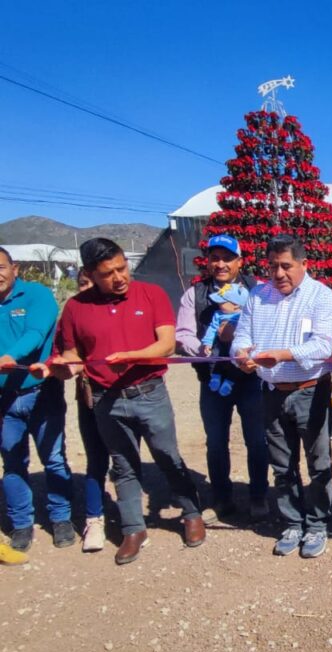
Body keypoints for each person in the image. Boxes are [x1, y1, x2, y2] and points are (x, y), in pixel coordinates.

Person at [48, 237, 206, 565]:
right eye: (109, 273)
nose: (120, 276)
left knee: (167, 455)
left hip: (148, 393)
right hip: (107, 400)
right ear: (90, 273)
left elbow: (165, 344)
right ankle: (134, 528)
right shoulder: (76, 308)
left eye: (123, 268)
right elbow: (72, 353)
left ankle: (192, 513)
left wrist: (133, 357)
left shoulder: (151, 294)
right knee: (122, 464)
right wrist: (66, 366)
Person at [232, 235, 332, 558]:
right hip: (271, 395)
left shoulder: (321, 296)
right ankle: (293, 522)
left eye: (286, 266)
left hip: (311, 392)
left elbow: (323, 346)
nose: (279, 273)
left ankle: (318, 525)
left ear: (304, 264)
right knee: (282, 464)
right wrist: (241, 355)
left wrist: (282, 354)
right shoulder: (257, 296)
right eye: (273, 266)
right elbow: (241, 336)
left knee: (319, 463)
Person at [176, 234, 269, 522]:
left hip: (251, 379)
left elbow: (269, 329)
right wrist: (210, 350)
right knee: (216, 441)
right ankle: (221, 499)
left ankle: (258, 496)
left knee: (257, 440)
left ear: (240, 261)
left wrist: (250, 349)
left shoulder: (260, 291)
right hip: (213, 379)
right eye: (215, 257)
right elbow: (183, 335)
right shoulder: (195, 294)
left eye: (227, 258)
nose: (220, 264)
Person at [0, 245, 74, 551]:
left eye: (0, 267)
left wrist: (9, 355)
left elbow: (35, 332)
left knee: (53, 458)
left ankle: (61, 518)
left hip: (40, 393)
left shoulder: (37, 296)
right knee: (12, 462)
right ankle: (21, 524)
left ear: (13, 268)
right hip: (4, 399)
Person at [69, 271, 111, 552]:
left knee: (126, 461)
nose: (87, 289)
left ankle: (130, 519)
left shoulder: (112, 312)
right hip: (89, 395)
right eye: (83, 283)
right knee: (96, 458)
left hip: (122, 394)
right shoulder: (73, 311)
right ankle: (94, 519)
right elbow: (67, 350)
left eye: (92, 284)